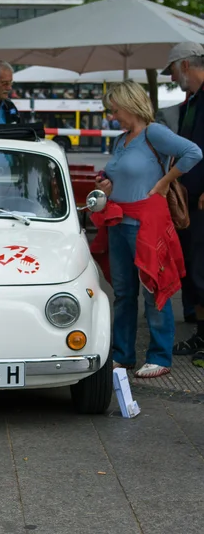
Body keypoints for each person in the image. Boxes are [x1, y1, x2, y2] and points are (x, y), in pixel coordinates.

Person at [95, 79, 202, 378]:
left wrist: (165, 182)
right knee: (124, 294)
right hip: (118, 221)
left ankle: (159, 356)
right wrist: (106, 182)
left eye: (115, 109)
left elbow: (194, 153)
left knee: (154, 289)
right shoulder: (121, 139)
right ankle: (123, 354)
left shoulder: (154, 133)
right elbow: (122, 176)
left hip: (145, 223)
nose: (112, 115)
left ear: (130, 105)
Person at [161, 42, 204, 366]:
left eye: (173, 71)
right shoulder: (193, 101)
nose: (173, 78)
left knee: (200, 269)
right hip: (190, 201)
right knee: (194, 268)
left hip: (200, 200)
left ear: (185, 65)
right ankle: (201, 333)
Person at [156, 93, 197, 324]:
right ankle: (189, 306)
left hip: (182, 192)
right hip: (178, 194)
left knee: (190, 256)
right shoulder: (173, 113)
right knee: (183, 253)